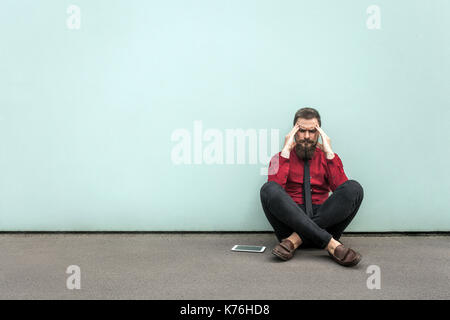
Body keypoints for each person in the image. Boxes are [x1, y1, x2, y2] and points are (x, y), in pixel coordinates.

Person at [260, 107, 364, 267]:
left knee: (354, 188)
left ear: (319, 133)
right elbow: (275, 194)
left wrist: (330, 154)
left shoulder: (328, 157)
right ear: (294, 132)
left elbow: (343, 193)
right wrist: (285, 153)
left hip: (324, 224)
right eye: (302, 130)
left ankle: (295, 240)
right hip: (290, 224)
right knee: (268, 189)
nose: (307, 136)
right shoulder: (279, 158)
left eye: (312, 131)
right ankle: (332, 245)